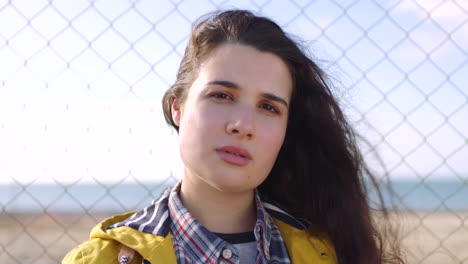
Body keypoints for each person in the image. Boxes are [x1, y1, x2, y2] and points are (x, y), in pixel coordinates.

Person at [63, 10, 404, 264]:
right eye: (222, 96)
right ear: (177, 107)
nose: (243, 125)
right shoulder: (97, 260)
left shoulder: (330, 253)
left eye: (269, 107)